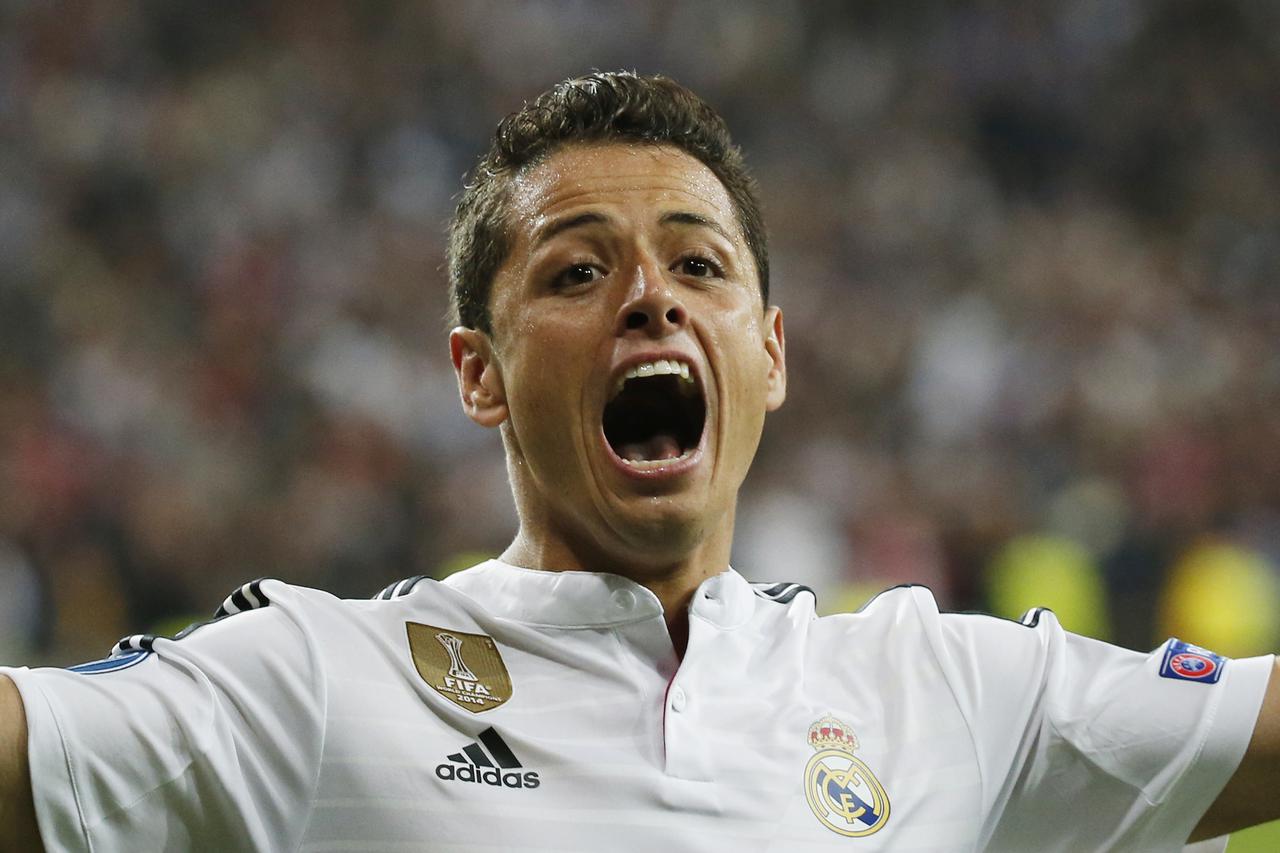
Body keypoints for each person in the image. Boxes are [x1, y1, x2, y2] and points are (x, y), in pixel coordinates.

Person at [0, 70, 1277, 852]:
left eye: (699, 262)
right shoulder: (316, 682)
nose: (651, 297)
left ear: (769, 354)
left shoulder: (938, 689)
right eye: (575, 270)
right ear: (477, 372)